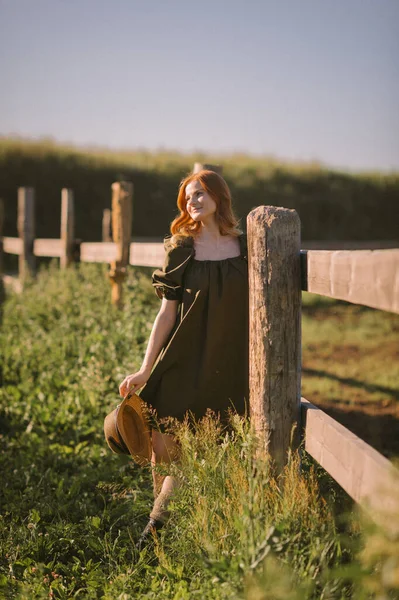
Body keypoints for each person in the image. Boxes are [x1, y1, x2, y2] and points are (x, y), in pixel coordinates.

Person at [119, 169, 249, 549]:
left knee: (205, 447)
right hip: (182, 358)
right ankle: (163, 532)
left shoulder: (248, 246)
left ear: (219, 197)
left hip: (227, 362)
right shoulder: (181, 248)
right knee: (166, 452)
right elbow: (166, 314)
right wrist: (146, 368)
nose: (193, 201)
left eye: (200, 193)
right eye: (188, 196)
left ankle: (154, 535)